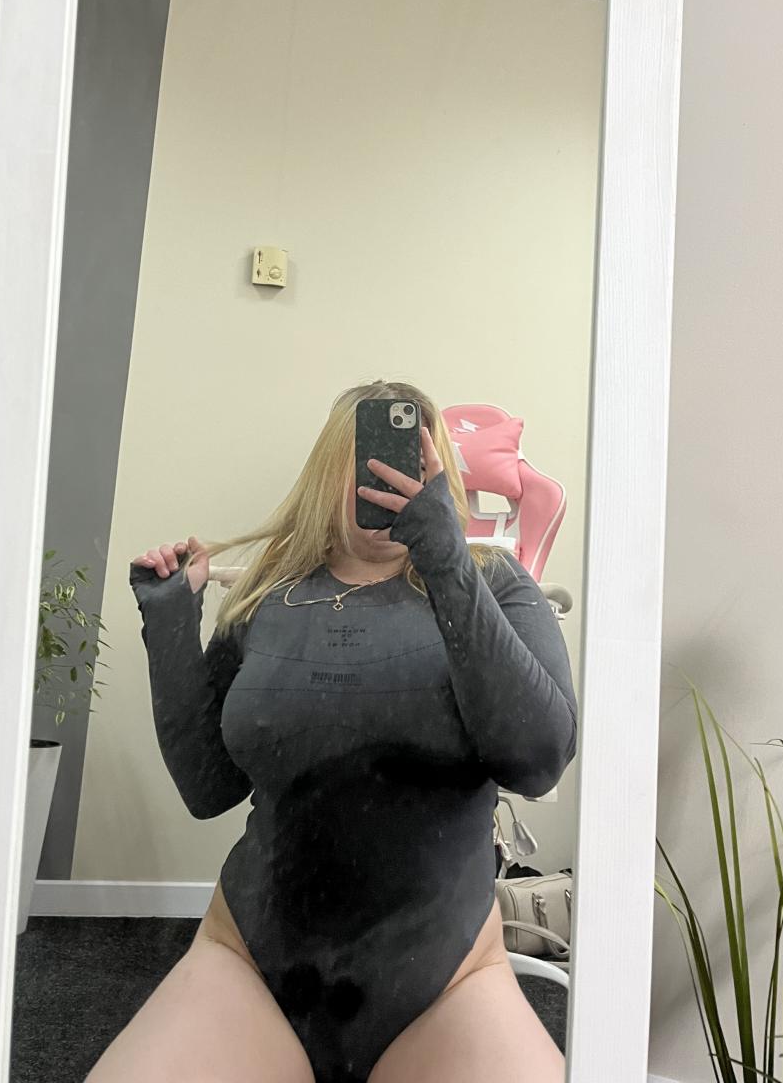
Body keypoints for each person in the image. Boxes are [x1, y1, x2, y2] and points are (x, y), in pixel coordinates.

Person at [86, 381, 577, 1083]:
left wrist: (444, 553)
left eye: (408, 463)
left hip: (447, 978)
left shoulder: (493, 582)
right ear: (328, 473)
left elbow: (537, 759)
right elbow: (206, 787)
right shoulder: (269, 594)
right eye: (366, 462)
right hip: (251, 962)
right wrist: (168, 625)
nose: (387, 479)